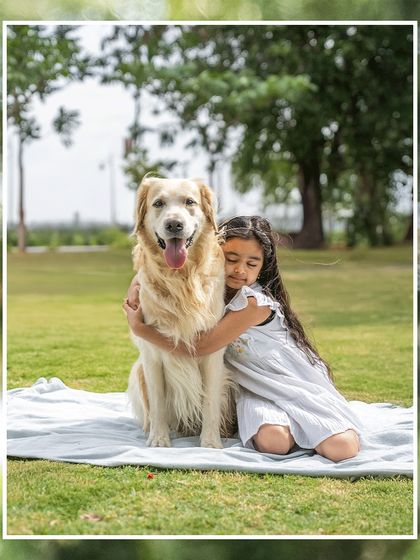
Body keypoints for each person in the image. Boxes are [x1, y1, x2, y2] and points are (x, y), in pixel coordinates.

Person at [123, 216, 361, 462]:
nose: (240, 270)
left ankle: (322, 427)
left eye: (251, 264)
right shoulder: (208, 292)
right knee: (274, 443)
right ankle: (296, 429)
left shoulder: (253, 304)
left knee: (341, 449)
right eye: (231, 259)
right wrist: (137, 286)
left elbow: (203, 347)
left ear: (262, 267)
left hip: (291, 384)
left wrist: (142, 330)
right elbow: (149, 273)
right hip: (254, 389)